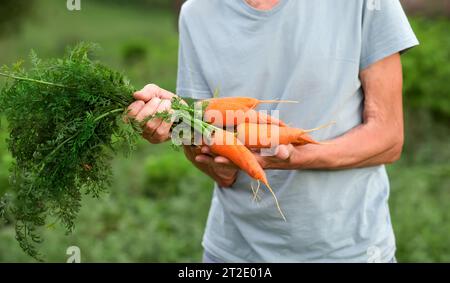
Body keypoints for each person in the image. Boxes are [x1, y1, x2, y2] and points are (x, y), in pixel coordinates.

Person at [127, 0, 419, 263]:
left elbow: (389, 137)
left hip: (349, 253)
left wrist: (297, 156)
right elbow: (214, 164)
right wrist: (178, 122)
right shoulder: (196, 13)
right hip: (234, 255)